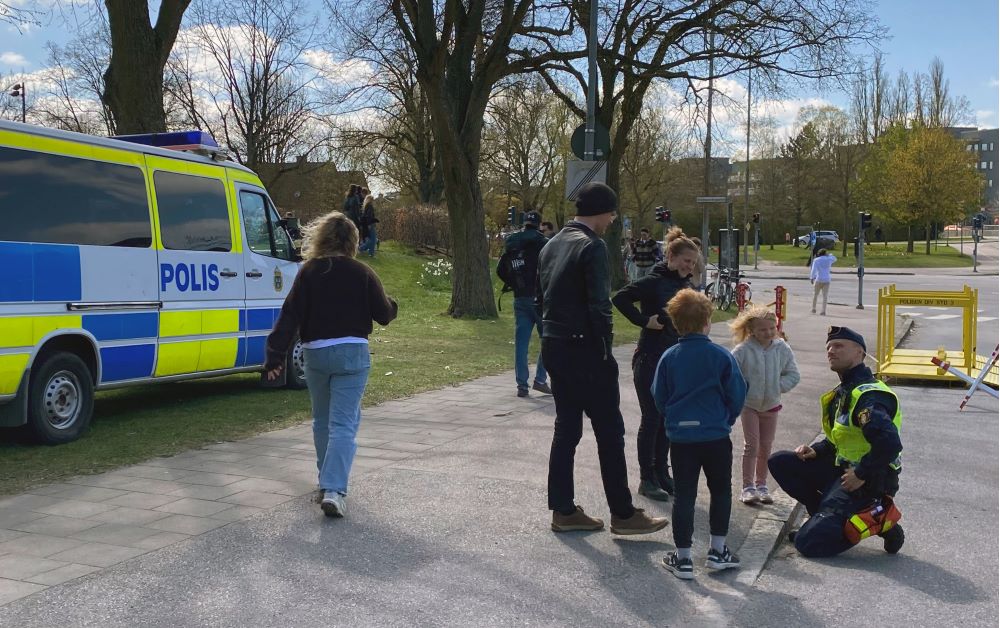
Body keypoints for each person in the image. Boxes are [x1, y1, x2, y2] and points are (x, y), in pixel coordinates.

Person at [536, 181, 669, 536]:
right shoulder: (592, 247)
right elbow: (600, 306)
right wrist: (606, 352)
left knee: (566, 430)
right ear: (603, 211)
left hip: (554, 343)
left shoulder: (551, 245)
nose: (613, 220)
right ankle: (623, 514)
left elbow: (542, 299)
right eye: (612, 213)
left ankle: (563, 509)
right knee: (610, 432)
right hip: (586, 349)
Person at [265, 211, 398, 518]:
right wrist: (393, 304)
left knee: (322, 421)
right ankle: (335, 489)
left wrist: (274, 356)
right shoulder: (362, 272)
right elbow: (384, 314)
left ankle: (326, 484)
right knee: (343, 425)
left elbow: (290, 316)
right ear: (353, 241)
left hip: (316, 354)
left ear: (321, 238)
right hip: (352, 353)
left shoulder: (309, 271)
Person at [768, 326, 904, 558]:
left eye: (839, 346)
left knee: (806, 544)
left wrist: (861, 473)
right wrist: (816, 450)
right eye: (829, 347)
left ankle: (881, 519)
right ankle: (824, 514)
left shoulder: (869, 395)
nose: (831, 351)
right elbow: (840, 438)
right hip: (842, 470)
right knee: (781, 462)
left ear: (859, 353)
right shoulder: (844, 391)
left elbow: (889, 443)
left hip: (870, 480)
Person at [652, 288, 747, 580]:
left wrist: (673, 417)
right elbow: (737, 393)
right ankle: (718, 550)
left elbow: (659, 395)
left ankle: (683, 558)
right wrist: (725, 419)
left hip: (682, 439)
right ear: (707, 321)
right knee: (720, 491)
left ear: (675, 323)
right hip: (715, 435)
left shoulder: (669, 356)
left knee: (684, 495)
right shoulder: (720, 356)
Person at [612, 227, 700, 502]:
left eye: (693, 263)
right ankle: (646, 478)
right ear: (671, 256)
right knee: (652, 418)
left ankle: (662, 472)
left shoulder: (685, 284)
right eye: (686, 261)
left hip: (675, 360)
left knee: (667, 418)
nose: (690, 267)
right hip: (650, 357)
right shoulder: (653, 280)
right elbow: (620, 298)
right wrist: (644, 320)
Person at [729, 306, 800, 505]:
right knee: (752, 445)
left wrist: (777, 387)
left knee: (766, 446)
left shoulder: (782, 348)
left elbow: (793, 374)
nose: (768, 332)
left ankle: (762, 484)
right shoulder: (742, 350)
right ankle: (747, 487)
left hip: (771, 405)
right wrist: (743, 390)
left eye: (772, 328)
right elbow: (731, 375)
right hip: (749, 405)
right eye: (763, 329)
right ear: (751, 330)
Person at [501, 210, 550, 398]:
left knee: (521, 343)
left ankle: (521, 384)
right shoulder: (544, 244)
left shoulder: (513, 242)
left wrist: (513, 284)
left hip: (520, 297)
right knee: (547, 339)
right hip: (540, 298)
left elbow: (501, 269)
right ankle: (540, 379)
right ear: (539, 224)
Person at [810, 248, 836, 315]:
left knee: (815, 294)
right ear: (825, 253)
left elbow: (813, 270)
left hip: (819, 279)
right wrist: (829, 255)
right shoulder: (829, 259)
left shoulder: (816, 260)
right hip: (827, 279)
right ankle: (823, 311)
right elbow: (835, 258)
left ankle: (813, 308)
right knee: (825, 296)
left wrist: (812, 278)